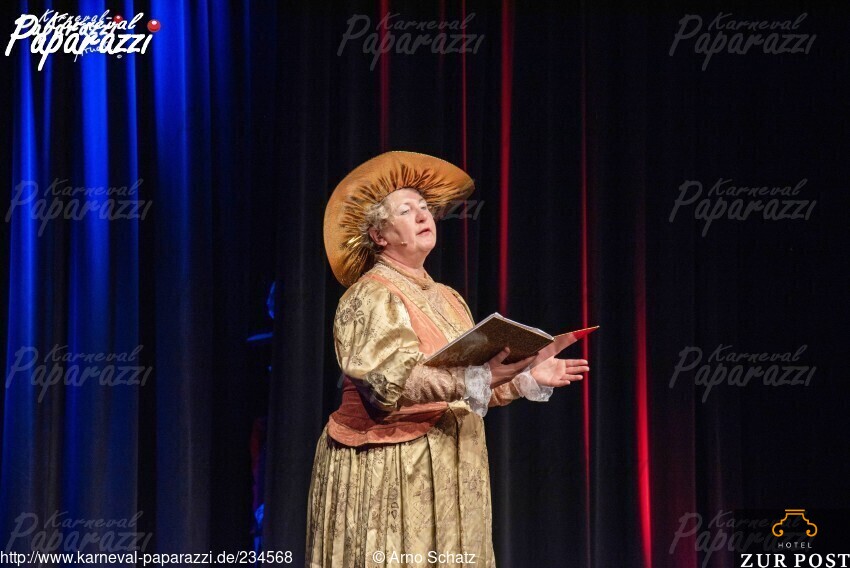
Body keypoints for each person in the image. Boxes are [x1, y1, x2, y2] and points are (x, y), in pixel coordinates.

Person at [306, 151, 590, 567]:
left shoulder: (448, 298)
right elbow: (389, 382)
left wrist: (526, 377)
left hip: (454, 461)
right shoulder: (370, 294)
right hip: (395, 464)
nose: (423, 215)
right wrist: (479, 376)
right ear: (379, 235)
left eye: (425, 207)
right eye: (407, 210)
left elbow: (470, 387)